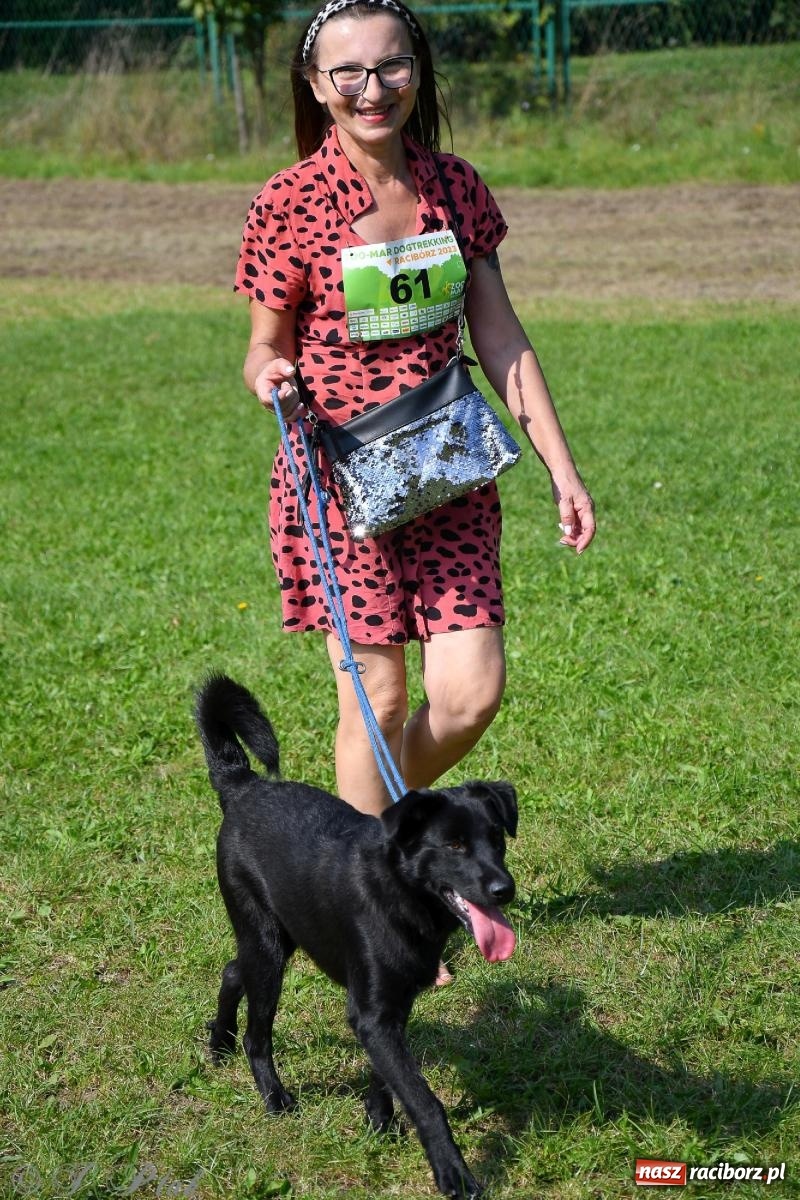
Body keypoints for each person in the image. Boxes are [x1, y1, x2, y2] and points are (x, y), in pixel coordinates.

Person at [234, 0, 595, 823]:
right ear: (315, 83)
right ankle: (377, 916)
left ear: (418, 69)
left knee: (470, 696)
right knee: (381, 704)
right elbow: (261, 344)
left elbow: (500, 336)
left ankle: (369, 835)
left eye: (392, 66)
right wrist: (270, 373)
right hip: (341, 486)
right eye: (349, 72)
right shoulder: (286, 203)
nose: (374, 88)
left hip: (450, 471)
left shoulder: (457, 186)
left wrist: (563, 470)